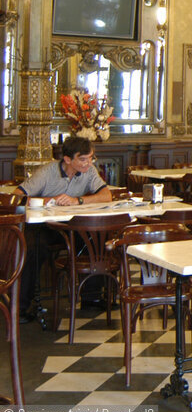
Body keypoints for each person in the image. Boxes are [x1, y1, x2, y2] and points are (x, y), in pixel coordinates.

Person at [18, 135, 112, 317]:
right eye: (83, 159)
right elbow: (19, 196)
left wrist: (78, 200)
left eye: (91, 158)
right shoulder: (47, 172)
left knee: (95, 239)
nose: (88, 163)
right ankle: (23, 306)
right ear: (68, 159)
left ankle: (91, 297)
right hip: (45, 226)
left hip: (72, 224)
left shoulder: (89, 171)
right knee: (33, 249)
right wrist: (50, 201)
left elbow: (106, 196)